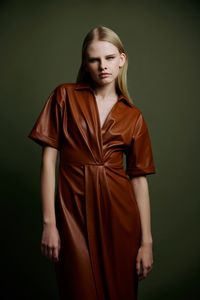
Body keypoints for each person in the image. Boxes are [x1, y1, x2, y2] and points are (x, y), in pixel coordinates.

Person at [28, 25, 156, 300]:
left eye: (109, 58)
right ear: (85, 63)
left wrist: (146, 242)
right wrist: (49, 223)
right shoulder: (64, 97)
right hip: (72, 212)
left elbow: (139, 180)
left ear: (122, 59)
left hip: (121, 217)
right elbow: (49, 162)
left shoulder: (134, 117)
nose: (102, 66)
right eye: (94, 59)